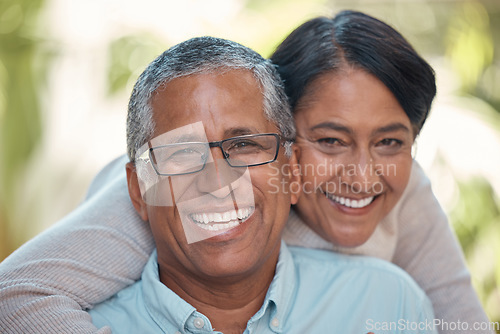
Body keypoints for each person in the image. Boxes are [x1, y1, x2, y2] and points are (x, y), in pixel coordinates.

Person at [0, 10, 490, 334]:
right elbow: (17, 292)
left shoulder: (398, 242)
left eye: (389, 141)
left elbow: (460, 320)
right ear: (292, 145)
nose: (362, 176)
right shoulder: (149, 199)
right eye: (330, 140)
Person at [91, 36, 436, 333]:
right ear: (138, 190)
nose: (217, 183)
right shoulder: (80, 325)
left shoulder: (387, 303)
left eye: (244, 146)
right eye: (181, 152)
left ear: (293, 172)